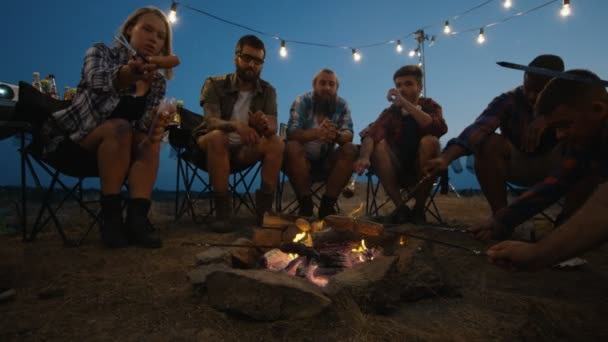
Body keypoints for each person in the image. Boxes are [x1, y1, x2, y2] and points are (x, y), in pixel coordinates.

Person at [39, 7, 177, 249]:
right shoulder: (101, 52)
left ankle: (137, 222)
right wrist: (128, 73)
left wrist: (158, 125)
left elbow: (144, 127)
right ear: (129, 30)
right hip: (76, 143)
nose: (154, 38)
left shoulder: (157, 82)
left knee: (151, 143)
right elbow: (97, 80)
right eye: (147, 29)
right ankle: (111, 222)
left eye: (160, 36)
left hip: (121, 155)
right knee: (120, 128)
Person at [424, 55, 565, 232]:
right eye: (528, 88)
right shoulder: (510, 99)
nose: (531, 96)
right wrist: (446, 158)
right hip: (517, 164)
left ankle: (569, 220)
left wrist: (551, 118)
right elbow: (478, 130)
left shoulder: (573, 102)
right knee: (488, 142)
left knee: (585, 146)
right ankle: (501, 220)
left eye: (539, 92)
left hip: (563, 165)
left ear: (556, 87)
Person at [486, 70, 608, 269]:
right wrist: (502, 219)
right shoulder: (587, 143)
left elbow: (604, 206)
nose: (560, 136)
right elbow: (558, 182)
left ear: (597, 109)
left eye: (565, 125)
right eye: (555, 129)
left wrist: (537, 253)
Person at [192, 35, 284, 231]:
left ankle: (264, 213)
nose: (252, 65)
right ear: (236, 58)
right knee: (218, 136)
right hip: (210, 148)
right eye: (247, 58)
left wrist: (262, 124)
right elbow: (210, 121)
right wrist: (237, 126)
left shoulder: (268, 91)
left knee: (276, 142)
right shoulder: (215, 83)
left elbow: (273, 126)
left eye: (258, 61)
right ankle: (223, 214)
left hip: (245, 149)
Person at [354, 65, 447, 223]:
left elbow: (438, 128)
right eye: (398, 85)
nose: (402, 89)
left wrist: (405, 104)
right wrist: (363, 157)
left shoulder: (430, 105)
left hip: (424, 169)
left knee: (430, 141)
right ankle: (401, 208)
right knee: (378, 144)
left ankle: (419, 210)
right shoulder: (391, 112)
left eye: (408, 84)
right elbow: (372, 134)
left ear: (420, 87)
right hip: (395, 169)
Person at [285, 69, 357, 219]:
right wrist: (317, 133)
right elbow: (291, 133)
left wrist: (336, 134)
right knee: (291, 146)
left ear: (337, 88)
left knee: (350, 149)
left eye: (331, 84)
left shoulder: (342, 105)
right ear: (314, 85)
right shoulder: (302, 101)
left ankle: (327, 207)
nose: (327, 88)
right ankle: (305, 206)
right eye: (322, 83)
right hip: (300, 161)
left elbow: (349, 134)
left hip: (326, 161)